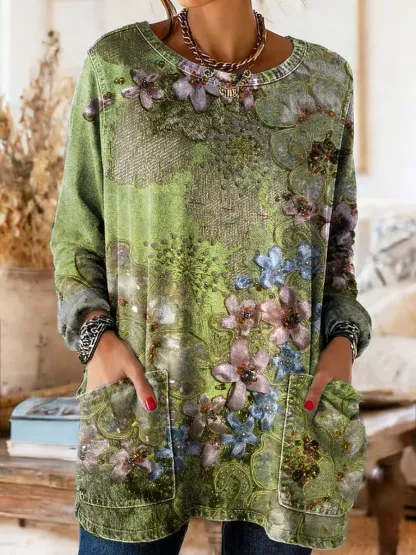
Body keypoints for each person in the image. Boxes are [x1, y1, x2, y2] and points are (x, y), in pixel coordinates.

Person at [49, 0, 373, 553]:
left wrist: (342, 342)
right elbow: (77, 234)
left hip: (282, 413)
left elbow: (336, 254)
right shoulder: (117, 66)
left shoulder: (325, 82)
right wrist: (94, 339)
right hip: (142, 401)